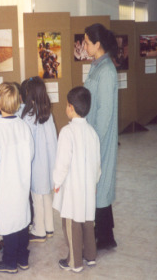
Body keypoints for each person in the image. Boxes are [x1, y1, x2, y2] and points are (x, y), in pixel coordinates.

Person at [0, 83, 34, 274]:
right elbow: (31, 154)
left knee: (9, 224)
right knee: (22, 221)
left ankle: (10, 261)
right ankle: (23, 258)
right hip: (22, 182)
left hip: (5, 186)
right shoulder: (23, 126)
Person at [53, 86, 101, 273]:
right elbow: (97, 163)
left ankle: (74, 261)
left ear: (71, 107)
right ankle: (90, 256)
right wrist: (95, 182)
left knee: (71, 223)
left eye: (66, 105)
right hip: (89, 186)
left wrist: (57, 182)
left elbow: (62, 162)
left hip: (73, 188)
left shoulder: (67, 132)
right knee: (88, 221)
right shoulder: (92, 132)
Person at [83, 23, 118, 250]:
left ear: (97, 44)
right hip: (92, 133)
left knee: (101, 185)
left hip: (100, 138)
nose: (83, 46)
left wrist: (94, 141)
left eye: (86, 42)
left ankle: (105, 237)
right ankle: (103, 232)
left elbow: (105, 113)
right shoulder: (96, 66)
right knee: (98, 185)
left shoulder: (107, 71)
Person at [21, 77, 57, 243]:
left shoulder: (28, 116)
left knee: (37, 198)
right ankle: (49, 227)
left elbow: (26, 145)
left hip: (35, 165)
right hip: (49, 163)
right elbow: (53, 141)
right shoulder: (48, 114)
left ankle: (39, 230)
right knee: (47, 196)